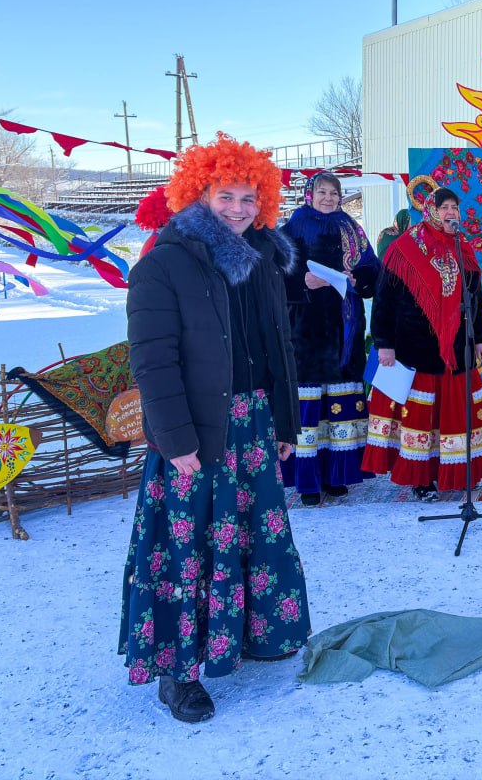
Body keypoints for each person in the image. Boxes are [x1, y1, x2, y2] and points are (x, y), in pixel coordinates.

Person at [119, 133, 311, 724]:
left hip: (253, 426)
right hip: (196, 433)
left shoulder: (261, 257)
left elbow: (275, 348)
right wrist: (174, 441)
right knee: (190, 548)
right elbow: (153, 360)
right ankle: (179, 674)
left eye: (248, 197)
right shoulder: (165, 261)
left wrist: (284, 421)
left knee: (254, 536)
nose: (237, 207)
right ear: (197, 193)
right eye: (224, 195)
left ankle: (249, 635)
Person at [361, 188, 482, 499]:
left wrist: (480, 338)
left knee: (457, 415)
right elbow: (384, 301)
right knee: (425, 418)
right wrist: (384, 344)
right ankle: (423, 478)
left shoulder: (464, 249)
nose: (450, 213)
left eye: (454, 208)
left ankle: (459, 472)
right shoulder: (404, 248)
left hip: (459, 349)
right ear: (430, 210)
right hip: (417, 348)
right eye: (444, 207)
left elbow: (475, 298)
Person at [280, 172, 381, 506]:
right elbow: (272, 274)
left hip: (344, 330)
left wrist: (358, 278)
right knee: (309, 409)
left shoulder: (352, 229)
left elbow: (372, 270)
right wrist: (301, 284)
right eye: (321, 192)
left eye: (333, 193)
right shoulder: (292, 229)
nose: (328, 198)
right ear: (310, 195)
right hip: (305, 331)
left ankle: (337, 476)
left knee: (340, 404)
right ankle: (308, 482)